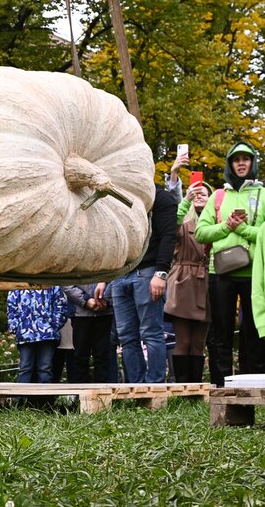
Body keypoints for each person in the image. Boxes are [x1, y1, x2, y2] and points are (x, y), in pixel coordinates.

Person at [194, 141, 265, 380]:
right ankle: (221, 388)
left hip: (254, 273)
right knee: (220, 331)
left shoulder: (262, 194)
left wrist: (243, 229)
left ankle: (254, 386)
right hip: (221, 271)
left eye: (246, 159)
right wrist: (226, 226)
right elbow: (201, 233)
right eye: (236, 160)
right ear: (230, 165)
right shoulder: (218, 196)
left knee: (254, 332)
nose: (241, 163)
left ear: (253, 163)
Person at [98, 180, 177, 383]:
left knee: (151, 332)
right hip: (120, 273)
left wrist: (161, 273)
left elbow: (169, 236)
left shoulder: (161, 197)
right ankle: (136, 386)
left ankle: (155, 386)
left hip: (148, 272)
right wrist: (104, 278)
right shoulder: (121, 198)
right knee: (126, 336)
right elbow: (113, 238)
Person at [164, 162, 211, 383]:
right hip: (183, 281)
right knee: (182, 340)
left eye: (204, 193)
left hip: (207, 283)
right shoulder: (183, 221)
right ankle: (183, 386)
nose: (200, 196)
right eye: (197, 192)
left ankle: (197, 386)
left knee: (199, 342)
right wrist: (187, 199)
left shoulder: (217, 224)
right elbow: (169, 224)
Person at [7, 287, 68, 384]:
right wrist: (16, 327)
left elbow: (61, 305)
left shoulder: (51, 285)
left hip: (47, 334)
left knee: (45, 368)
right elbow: (11, 307)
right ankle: (21, 398)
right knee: (25, 367)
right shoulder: (18, 285)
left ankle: (44, 398)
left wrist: (54, 324)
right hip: (25, 333)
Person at [63, 284, 113, 383]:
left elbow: (115, 278)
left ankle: (102, 393)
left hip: (105, 311)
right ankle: (81, 393)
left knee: (103, 355)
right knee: (80, 355)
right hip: (80, 313)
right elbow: (67, 284)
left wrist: (105, 300)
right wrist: (85, 300)